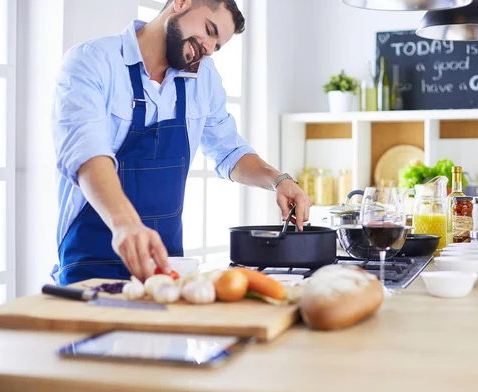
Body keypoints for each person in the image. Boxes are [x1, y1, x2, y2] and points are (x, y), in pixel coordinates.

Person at [50, 0, 312, 285]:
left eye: (217, 45)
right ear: (181, 3)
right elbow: (87, 153)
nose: (209, 49)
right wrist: (125, 224)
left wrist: (279, 180)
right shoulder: (92, 60)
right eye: (209, 30)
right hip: (90, 264)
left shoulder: (203, 78)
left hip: (165, 267)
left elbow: (229, 151)